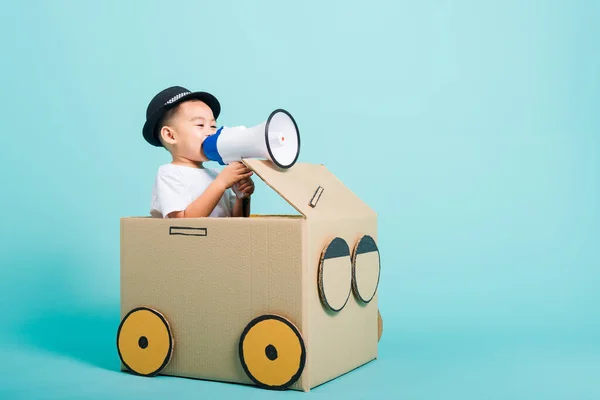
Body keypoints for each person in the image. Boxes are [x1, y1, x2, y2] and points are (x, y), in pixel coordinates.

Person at [142, 86, 255, 218]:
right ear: (170, 135)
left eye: (213, 126)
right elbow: (184, 223)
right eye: (200, 125)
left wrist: (242, 197)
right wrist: (221, 183)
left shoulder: (216, 174)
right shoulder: (169, 174)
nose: (210, 132)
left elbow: (235, 223)